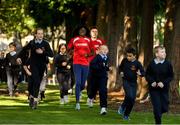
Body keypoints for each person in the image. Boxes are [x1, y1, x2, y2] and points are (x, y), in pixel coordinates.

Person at [17, 28, 53, 109]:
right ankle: (36, 100)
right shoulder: (32, 43)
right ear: (35, 35)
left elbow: (51, 54)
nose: (40, 35)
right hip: (33, 65)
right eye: (39, 34)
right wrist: (18, 57)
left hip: (42, 66)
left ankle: (32, 97)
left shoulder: (45, 43)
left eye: (42, 34)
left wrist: (43, 52)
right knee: (36, 81)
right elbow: (24, 50)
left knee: (36, 83)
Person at [145, 46, 173, 124]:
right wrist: (152, 81)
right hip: (154, 90)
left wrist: (163, 83)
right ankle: (158, 122)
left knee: (164, 108)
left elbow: (171, 76)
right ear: (156, 54)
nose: (164, 53)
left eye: (165, 51)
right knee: (157, 109)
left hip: (164, 90)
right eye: (162, 52)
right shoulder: (152, 64)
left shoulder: (168, 64)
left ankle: (158, 114)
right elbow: (147, 75)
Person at [67, 25, 93, 110]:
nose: (82, 31)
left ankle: (79, 90)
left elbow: (93, 52)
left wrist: (87, 54)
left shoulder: (88, 40)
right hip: (76, 63)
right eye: (81, 30)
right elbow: (68, 50)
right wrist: (71, 51)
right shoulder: (74, 39)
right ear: (78, 31)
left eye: (84, 30)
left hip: (85, 64)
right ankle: (77, 103)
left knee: (82, 84)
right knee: (78, 82)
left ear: (86, 32)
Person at [117, 47, 145, 120]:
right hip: (126, 81)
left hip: (133, 83)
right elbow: (120, 68)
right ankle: (123, 107)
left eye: (130, 56)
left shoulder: (137, 63)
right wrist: (121, 72)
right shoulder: (124, 60)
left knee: (132, 99)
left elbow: (143, 72)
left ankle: (126, 115)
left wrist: (140, 73)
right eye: (127, 55)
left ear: (134, 56)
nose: (128, 57)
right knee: (129, 96)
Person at [89, 45, 111, 115]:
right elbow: (92, 65)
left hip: (103, 77)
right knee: (93, 90)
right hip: (95, 77)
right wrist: (100, 66)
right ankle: (90, 97)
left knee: (103, 91)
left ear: (108, 51)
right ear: (99, 50)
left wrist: (108, 68)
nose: (105, 51)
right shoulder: (97, 57)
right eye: (103, 49)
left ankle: (103, 108)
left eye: (106, 49)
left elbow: (105, 66)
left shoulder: (107, 58)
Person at [87, 26, 106, 107]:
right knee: (90, 81)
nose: (94, 33)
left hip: (98, 64)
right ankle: (90, 97)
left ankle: (92, 97)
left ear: (97, 33)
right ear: (90, 33)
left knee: (97, 82)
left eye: (96, 31)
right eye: (93, 31)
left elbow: (104, 51)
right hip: (89, 64)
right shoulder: (87, 41)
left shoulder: (100, 41)